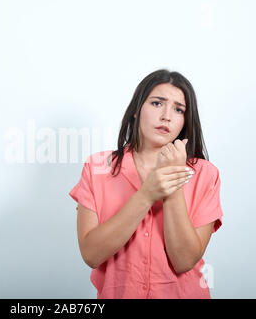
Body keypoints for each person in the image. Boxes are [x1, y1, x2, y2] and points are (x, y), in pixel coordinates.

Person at [69, 69, 223, 299]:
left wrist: (173, 177)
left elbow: (183, 261)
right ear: (135, 110)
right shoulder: (97, 167)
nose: (167, 116)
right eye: (157, 103)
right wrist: (147, 194)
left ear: (185, 121)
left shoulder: (205, 174)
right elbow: (91, 255)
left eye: (179, 109)